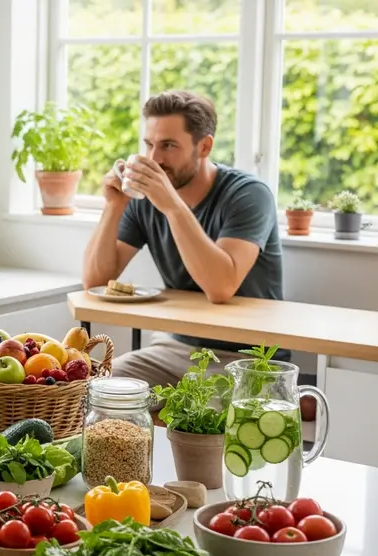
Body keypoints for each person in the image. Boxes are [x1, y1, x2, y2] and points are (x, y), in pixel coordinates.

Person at [81, 90, 286, 399]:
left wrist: (173, 206)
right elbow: (95, 281)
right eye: (149, 145)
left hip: (247, 360)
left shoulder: (249, 194)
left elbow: (221, 287)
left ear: (204, 146)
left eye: (168, 146)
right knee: (94, 393)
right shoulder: (147, 199)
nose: (154, 159)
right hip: (172, 349)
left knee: (203, 421)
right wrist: (114, 205)